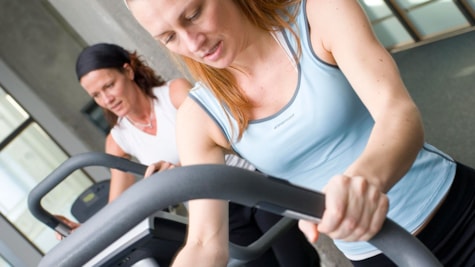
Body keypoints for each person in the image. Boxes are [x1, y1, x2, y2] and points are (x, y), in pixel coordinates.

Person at [124, 0, 475, 266]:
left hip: (453, 207)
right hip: (375, 254)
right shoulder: (198, 116)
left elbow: (398, 113)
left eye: (194, 14)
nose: (192, 42)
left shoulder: (319, 13)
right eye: (169, 36)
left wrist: (364, 179)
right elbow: (204, 241)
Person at [62, 42, 320, 267]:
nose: (107, 99)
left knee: (297, 261)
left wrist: (178, 171)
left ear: (127, 70)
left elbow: (224, 139)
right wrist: (83, 232)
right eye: (96, 95)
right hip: (213, 211)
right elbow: (117, 207)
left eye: (109, 85)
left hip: (246, 185)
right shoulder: (118, 138)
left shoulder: (174, 94)